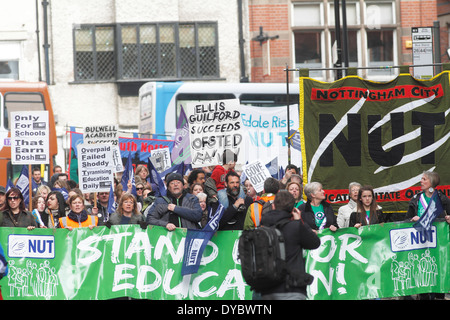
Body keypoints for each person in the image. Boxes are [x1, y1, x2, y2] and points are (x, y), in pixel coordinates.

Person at [259, 190, 321, 300]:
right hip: (293, 288)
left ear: (273, 206)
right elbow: (315, 242)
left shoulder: (262, 228)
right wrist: (300, 221)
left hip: (267, 289)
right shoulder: (295, 227)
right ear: (293, 209)